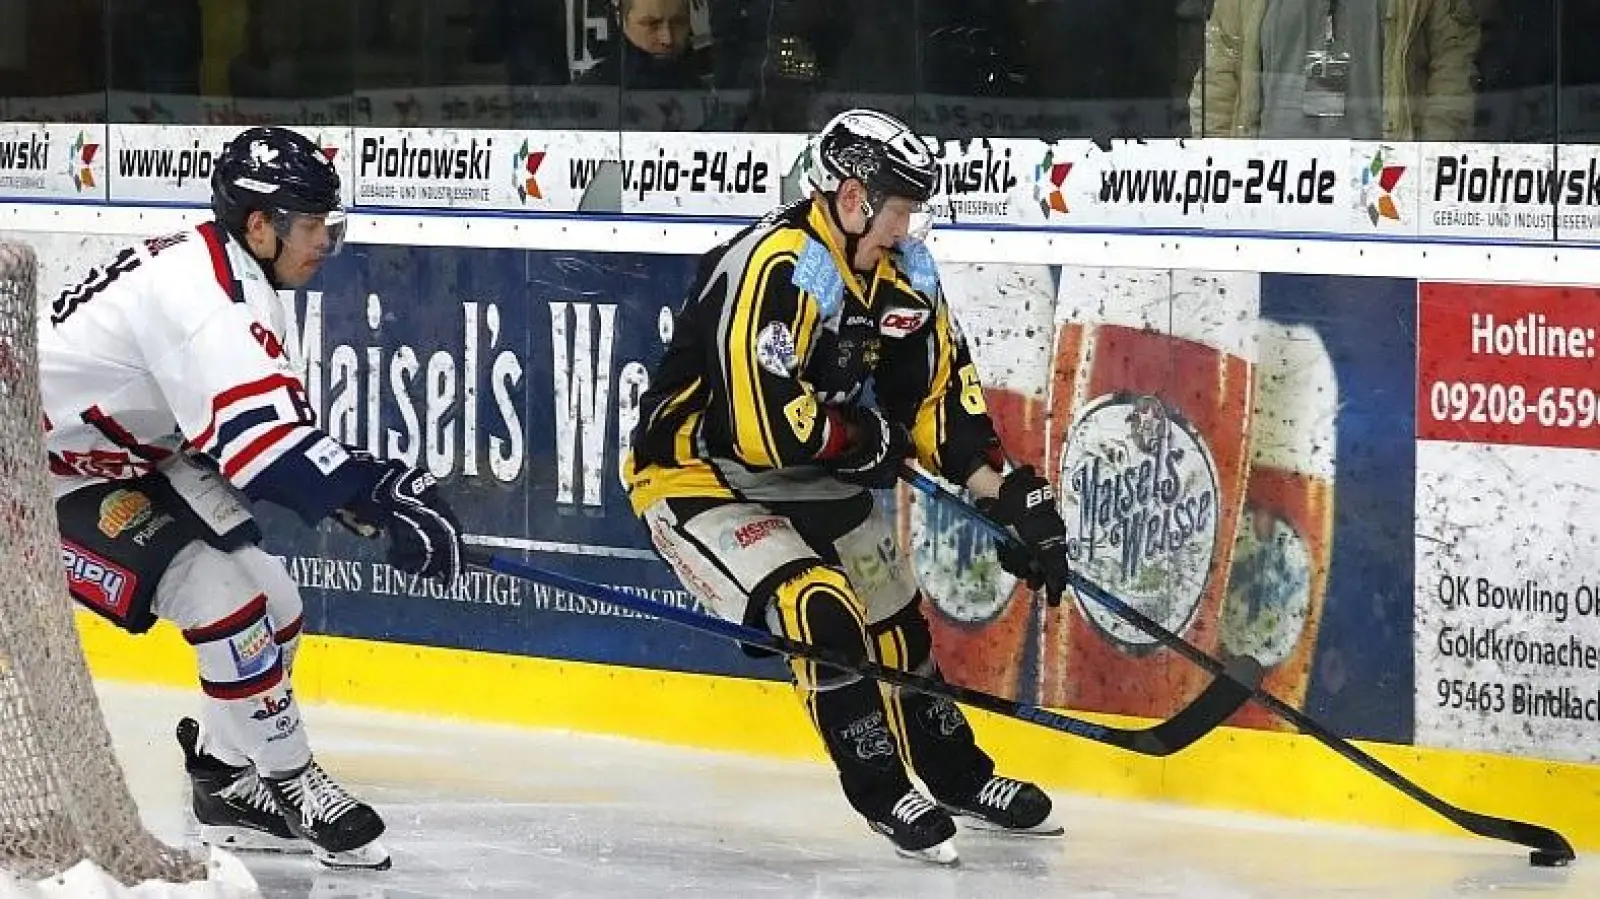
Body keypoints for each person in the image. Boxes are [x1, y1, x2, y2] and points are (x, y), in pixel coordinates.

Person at [622, 108, 1072, 865]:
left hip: (811, 477)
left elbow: (936, 399)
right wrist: (865, 441)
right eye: (899, 206)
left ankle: (957, 774)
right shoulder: (781, 263)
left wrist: (1007, 494)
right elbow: (762, 425)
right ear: (854, 195)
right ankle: (882, 789)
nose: (907, 224)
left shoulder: (904, 274)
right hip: (699, 478)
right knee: (821, 608)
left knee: (897, 617)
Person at [39, 126, 466, 871]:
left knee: (276, 602)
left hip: (121, 460)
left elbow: (272, 433)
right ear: (261, 224)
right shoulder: (205, 294)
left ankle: (226, 782)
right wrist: (379, 494)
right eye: (312, 225)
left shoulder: (232, 273)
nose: (327, 240)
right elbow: (264, 451)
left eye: (333, 224)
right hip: (32, 477)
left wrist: (370, 489)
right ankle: (292, 776)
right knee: (224, 601)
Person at [1191, 0, 1479, 140]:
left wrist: (1430, 160)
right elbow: (1220, 77)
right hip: (1271, 187)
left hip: (1379, 186)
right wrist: (1219, 167)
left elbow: (1451, 66)